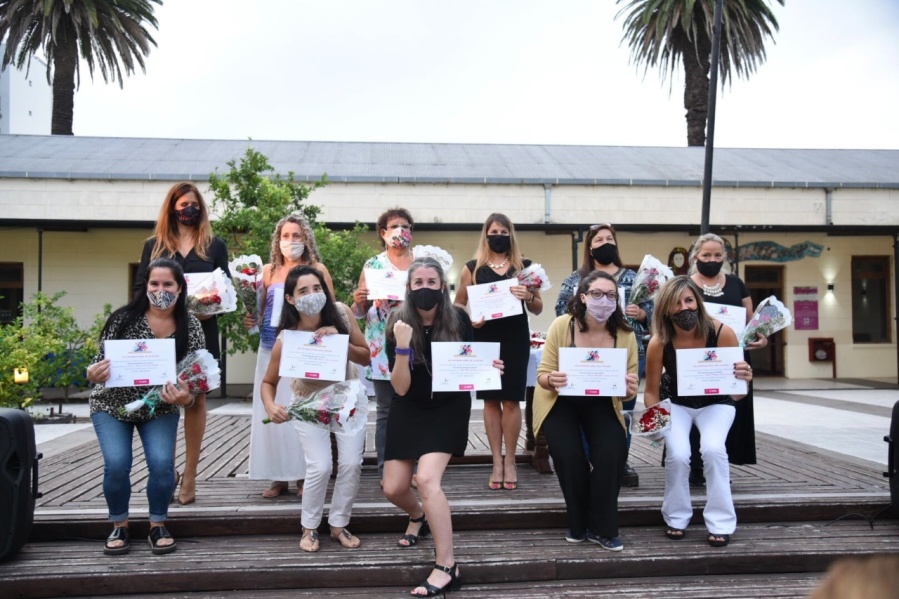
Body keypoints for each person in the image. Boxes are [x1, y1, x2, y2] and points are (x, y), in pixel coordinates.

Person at [382, 257, 501, 597]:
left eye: (431, 282)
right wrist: (402, 347)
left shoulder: (458, 318)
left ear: (442, 288)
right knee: (393, 487)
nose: (424, 289)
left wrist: (489, 365)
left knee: (427, 479)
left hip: (448, 406)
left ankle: (447, 565)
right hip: (409, 406)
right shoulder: (397, 320)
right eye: (417, 283)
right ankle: (417, 515)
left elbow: (472, 360)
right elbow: (400, 387)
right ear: (408, 288)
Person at [86, 258, 206, 556]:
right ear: (145, 286)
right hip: (112, 406)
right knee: (117, 464)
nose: (160, 290)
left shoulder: (190, 326)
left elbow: (196, 382)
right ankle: (120, 524)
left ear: (180, 289)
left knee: (162, 465)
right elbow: (98, 363)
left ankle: (157, 524)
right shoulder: (122, 319)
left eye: (168, 284)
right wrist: (92, 373)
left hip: (159, 408)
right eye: (155, 283)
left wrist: (185, 399)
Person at [260, 265, 369, 552]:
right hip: (309, 405)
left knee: (351, 463)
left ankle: (339, 524)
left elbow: (367, 356)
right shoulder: (287, 339)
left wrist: (340, 343)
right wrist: (271, 406)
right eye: (303, 291)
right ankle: (309, 527)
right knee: (320, 466)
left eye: (317, 288)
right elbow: (268, 383)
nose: (312, 295)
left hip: (347, 399)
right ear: (291, 299)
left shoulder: (343, 315)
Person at [134, 182, 230, 506]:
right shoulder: (154, 244)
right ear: (172, 207)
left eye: (194, 204)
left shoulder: (214, 245)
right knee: (164, 400)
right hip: (161, 334)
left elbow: (224, 291)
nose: (189, 209)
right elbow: (139, 290)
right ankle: (167, 472)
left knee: (196, 401)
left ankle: (189, 476)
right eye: (182, 204)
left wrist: (210, 305)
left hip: (201, 333)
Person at [643, 275, 753, 547]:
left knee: (713, 449)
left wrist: (744, 376)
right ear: (665, 309)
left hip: (716, 403)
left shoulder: (722, 332)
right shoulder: (659, 341)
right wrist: (656, 420)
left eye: (689, 300)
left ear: (698, 301)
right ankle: (676, 517)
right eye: (676, 303)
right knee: (678, 455)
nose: (684, 308)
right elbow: (651, 391)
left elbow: (737, 393)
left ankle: (721, 521)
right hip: (676, 403)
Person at [533, 271, 639, 551]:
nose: (604, 300)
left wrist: (630, 387)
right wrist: (551, 379)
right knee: (568, 455)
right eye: (597, 294)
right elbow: (542, 375)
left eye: (611, 295)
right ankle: (578, 523)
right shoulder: (561, 326)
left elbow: (629, 391)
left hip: (602, 401)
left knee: (612, 451)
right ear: (582, 297)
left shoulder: (625, 335)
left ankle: (603, 527)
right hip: (561, 401)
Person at [352, 208, 452, 483]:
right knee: (386, 410)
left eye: (405, 226)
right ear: (383, 233)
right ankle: (387, 469)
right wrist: (359, 301)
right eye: (394, 226)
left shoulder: (422, 262)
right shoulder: (373, 265)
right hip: (382, 345)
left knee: (419, 405)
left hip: (420, 343)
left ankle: (424, 469)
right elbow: (359, 312)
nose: (400, 231)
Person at [554, 223, 653, 487]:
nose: (605, 243)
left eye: (610, 238)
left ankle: (619, 460)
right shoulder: (577, 278)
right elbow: (560, 310)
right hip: (583, 357)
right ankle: (589, 460)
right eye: (599, 239)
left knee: (623, 411)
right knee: (588, 410)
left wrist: (642, 314)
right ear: (590, 246)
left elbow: (653, 313)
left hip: (627, 351)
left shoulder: (634, 278)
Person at [246, 215, 335, 499]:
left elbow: (330, 306)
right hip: (270, 348)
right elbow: (260, 311)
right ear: (278, 240)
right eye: (286, 236)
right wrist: (251, 322)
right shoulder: (268, 271)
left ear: (306, 238)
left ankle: (303, 476)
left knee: (301, 410)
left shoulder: (316, 269)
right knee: (271, 409)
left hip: (303, 350)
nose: (291, 241)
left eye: (297, 235)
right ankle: (277, 477)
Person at [453, 213, 542, 491]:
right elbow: (458, 305)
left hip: (515, 338)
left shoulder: (524, 267)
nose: (499, 235)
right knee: (491, 401)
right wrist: (470, 319)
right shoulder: (473, 268)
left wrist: (529, 296)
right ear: (486, 234)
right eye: (494, 231)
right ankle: (496, 461)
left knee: (512, 401)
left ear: (510, 235)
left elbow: (538, 306)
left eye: (504, 231)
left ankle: (511, 460)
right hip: (485, 338)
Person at [687, 232, 767, 485]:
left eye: (717, 255)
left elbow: (751, 322)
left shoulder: (736, 284)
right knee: (694, 410)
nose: (712, 259)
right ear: (696, 257)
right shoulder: (685, 284)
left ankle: (719, 464)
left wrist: (761, 337)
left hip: (732, 362)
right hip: (695, 360)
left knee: (728, 410)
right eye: (706, 255)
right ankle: (696, 466)